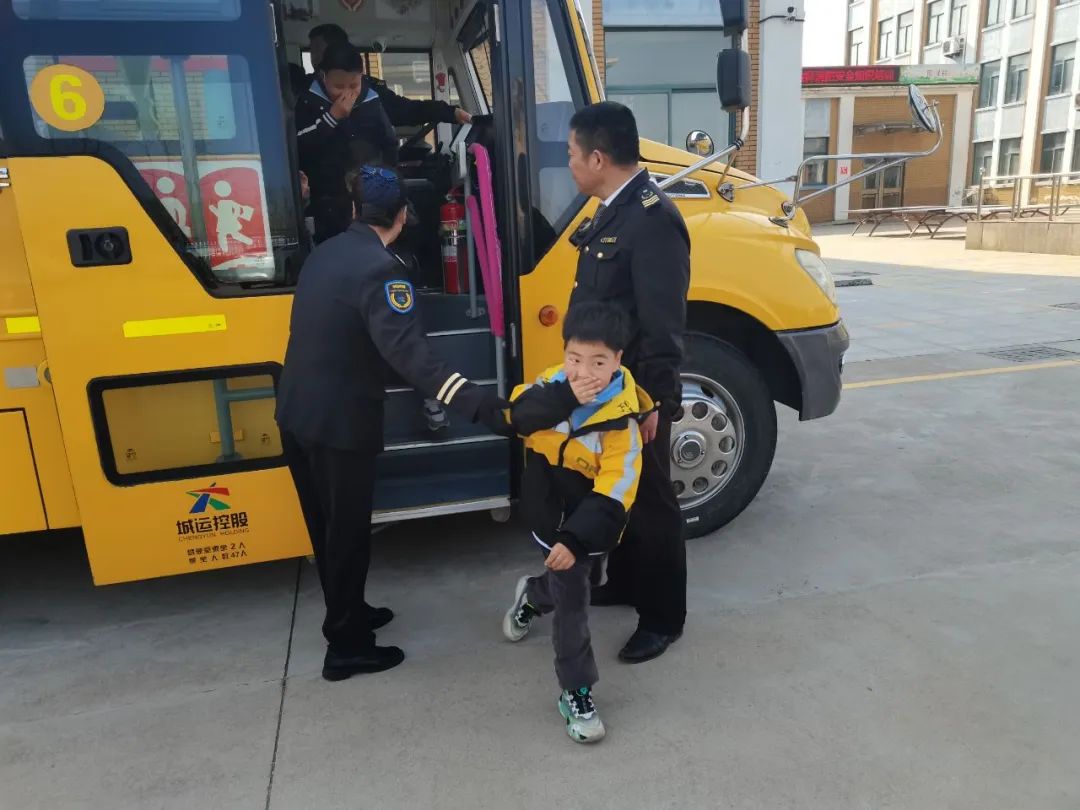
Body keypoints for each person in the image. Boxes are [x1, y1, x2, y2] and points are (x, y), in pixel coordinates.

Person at [275, 165, 506, 682]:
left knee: (327, 531)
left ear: (355, 210)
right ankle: (347, 648)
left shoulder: (326, 253)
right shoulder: (382, 271)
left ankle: (349, 613)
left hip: (296, 412)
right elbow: (414, 359)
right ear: (402, 217)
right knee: (348, 535)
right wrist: (480, 406)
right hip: (339, 425)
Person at [565, 101, 691, 664]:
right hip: (606, 390)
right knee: (620, 495)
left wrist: (657, 403)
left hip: (638, 396)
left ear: (598, 157)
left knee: (653, 505)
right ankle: (627, 582)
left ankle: (663, 616)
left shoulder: (652, 218)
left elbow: (663, 324)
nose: (569, 165)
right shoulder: (613, 211)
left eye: (572, 154)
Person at [500, 301, 648, 744]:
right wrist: (562, 397)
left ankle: (531, 593)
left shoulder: (622, 419)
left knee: (581, 579)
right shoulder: (550, 386)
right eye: (574, 359)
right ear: (564, 353)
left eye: (599, 362)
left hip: (590, 525)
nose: (584, 372)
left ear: (619, 360)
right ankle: (575, 691)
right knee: (573, 607)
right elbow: (517, 418)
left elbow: (617, 486)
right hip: (550, 513)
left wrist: (577, 538)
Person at [296, 42, 472, 242]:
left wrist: (450, 112)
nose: (347, 93)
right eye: (338, 87)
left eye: (354, 85)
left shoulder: (373, 98)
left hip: (374, 194)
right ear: (322, 76)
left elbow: (406, 113)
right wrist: (332, 118)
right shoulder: (307, 103)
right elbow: (297, 148)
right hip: (326, 202)